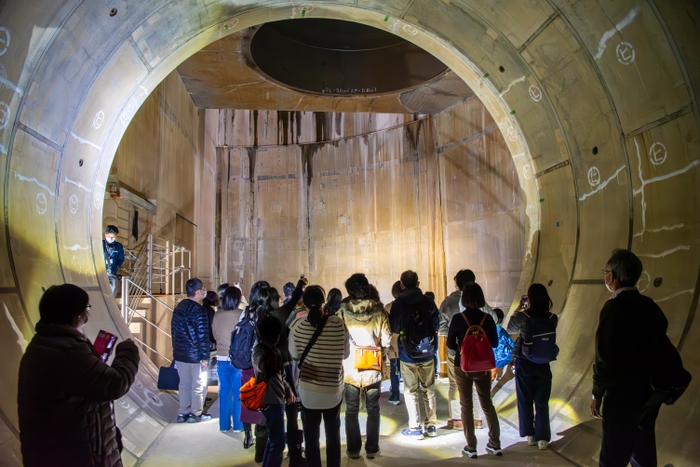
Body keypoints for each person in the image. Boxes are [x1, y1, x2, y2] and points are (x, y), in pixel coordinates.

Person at [18, 284, 140, 467]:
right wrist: (127, 351)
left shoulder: (43, 344)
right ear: (77, 314)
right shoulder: (67, 350)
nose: (86, 316)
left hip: (57, 452)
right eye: (86, 309)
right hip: (74, 456)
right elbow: (115, 383)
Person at [590, 249, 669, 466]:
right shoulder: (650, 306)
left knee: (613, 456)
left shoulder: (613, 309)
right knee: (643, 453)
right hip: (648, 394)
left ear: (612, 276)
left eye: (607, 272)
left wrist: (597, 393)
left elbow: (603, 360)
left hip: (621, 396)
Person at [289, 286, 350, 467]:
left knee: (311, 436)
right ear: (324, 301)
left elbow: (294, 355)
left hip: (308, 390)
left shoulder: (297, 326)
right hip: (333, 389)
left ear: (304, 303)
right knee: (333, 434)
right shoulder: (339, 324)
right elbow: (345, 354)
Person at [337, 274, 392, 459]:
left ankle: (353, 449)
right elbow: (387, 339)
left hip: (350, 369)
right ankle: (372, 448)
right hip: (372, 368)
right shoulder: (379, 312)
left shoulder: (342, 312)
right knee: (373, 410)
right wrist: (380, 353)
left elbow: (338, 339)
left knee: (351, 410)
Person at [439, 269, 500, 430]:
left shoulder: (448, 302)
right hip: (480, 354)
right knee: (481, 390)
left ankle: (458, 419)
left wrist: (454, 336)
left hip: (458, 353)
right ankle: (479, 420)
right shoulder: (482, 305)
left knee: (455, 385)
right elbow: (494, 320)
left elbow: (441, 326)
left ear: (457, 284)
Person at [447, 283, 502, 458]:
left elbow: (449, 344)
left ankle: (471, 447)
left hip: (462, 365)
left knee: (466, 405)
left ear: (464, 299)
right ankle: (495, 443)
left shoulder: (458, 319)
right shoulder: (488, 318)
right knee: (487, 403)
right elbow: (494, 343)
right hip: (483, 366)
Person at [389, 270, 440, 438]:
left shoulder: (398, 304)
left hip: (407, 353)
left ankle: (415, 427)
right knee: (429, 389)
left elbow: (394, 328)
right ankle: (432, 426)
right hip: (428, 352)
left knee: (410, 390)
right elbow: (436, 323)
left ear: (402, 285)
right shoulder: (428, 301)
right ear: (418, 283)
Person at [507, 283, 558, 450]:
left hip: (525, 362)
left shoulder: (524, 317)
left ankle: (530, 435)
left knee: (525, 399)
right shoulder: (552, 318)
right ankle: (543, 438)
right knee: (542, 401)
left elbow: (510, 328)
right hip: (544, 364)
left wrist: (520, 308)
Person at [253, 315, 296, 467]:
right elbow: (262, 365)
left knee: (275, 441)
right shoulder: (260, 350)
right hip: (269, 399)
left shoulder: (275, 351)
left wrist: (289, 389)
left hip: (277, 399)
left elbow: (281, 375)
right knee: (277, 442)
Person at [171, 278, 212, 423]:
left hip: (180, 354)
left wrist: (175, 350)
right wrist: (205, 357)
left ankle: (183, 413)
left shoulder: (179, 307)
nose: (204, 290)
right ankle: (196, 414)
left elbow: (173, 331)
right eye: (203, 288)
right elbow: (202, 335)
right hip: (195, 356)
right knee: (198, 385)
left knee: (184, 385)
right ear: (198, 292)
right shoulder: (199, 311)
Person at [240, 281, 270, 459]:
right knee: (265, 402)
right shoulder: (269, 315)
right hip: (264, 364)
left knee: (247, 397)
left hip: (247, 362)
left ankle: (247, 436)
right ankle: (262, 442)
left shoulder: (246, 312)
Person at [212, 286, 245, 436]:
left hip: (221, 356)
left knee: (224, 391)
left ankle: (224, 425)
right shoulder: (241, 314)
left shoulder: (217, 315)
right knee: (239, 392)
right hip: (237, 358)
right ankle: (238, 425)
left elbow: (213, 333)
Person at [385, 281, 403, 405]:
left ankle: (395, 395)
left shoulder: (388, 307)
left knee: (394, 369)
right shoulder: (409, 306)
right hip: (408, 343)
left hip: (394, 342)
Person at [103, 225, 124, 297]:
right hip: (101, 272)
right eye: (110, 237)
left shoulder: (118, 246)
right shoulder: (100, 244)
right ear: (105, 235)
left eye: (113, 237)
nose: (111, 239)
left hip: (112, 271)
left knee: (114, 286)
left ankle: (112, 302)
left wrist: (117, 266)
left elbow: (121, 258)